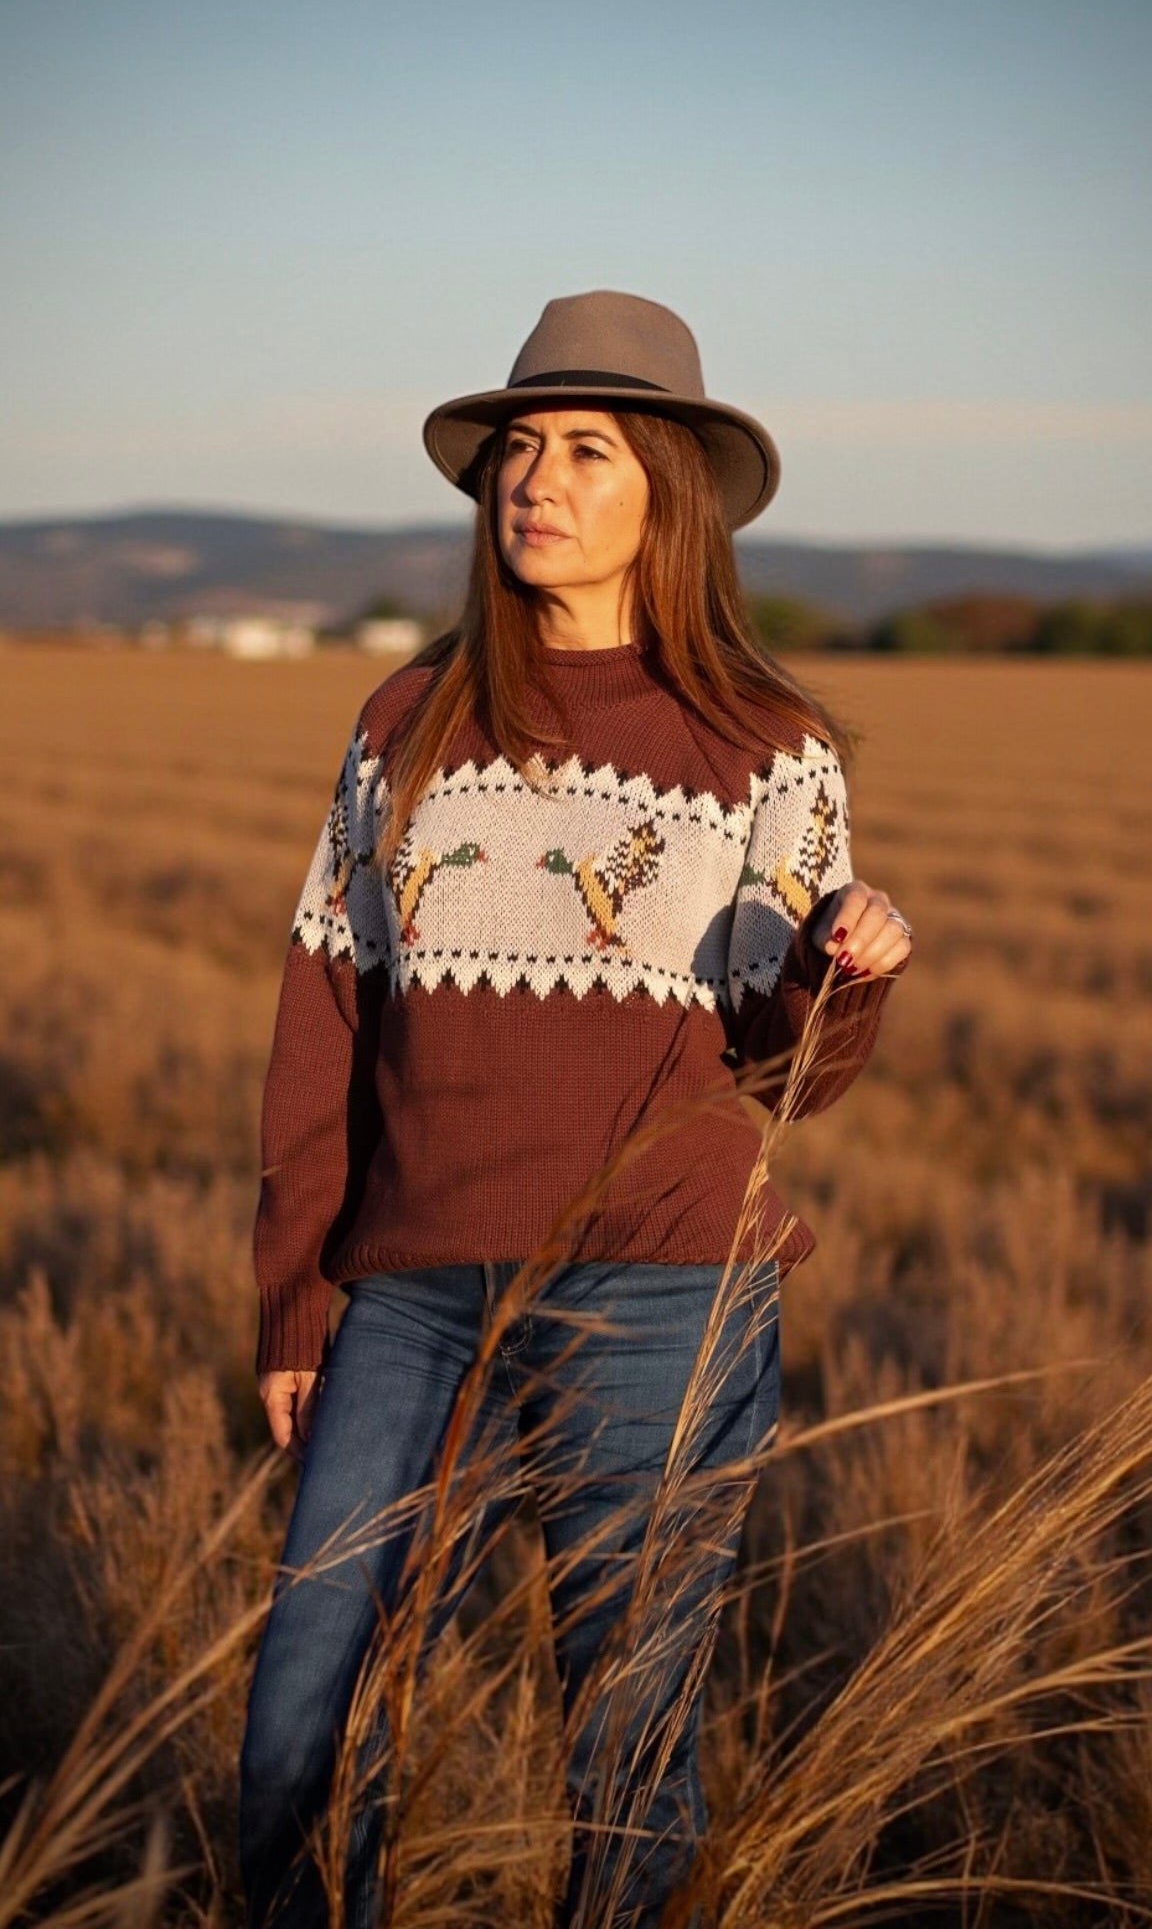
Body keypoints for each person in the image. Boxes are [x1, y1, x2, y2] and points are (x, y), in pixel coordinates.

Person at [240, 290, 913, 1928]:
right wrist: (292, 1294)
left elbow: (789, 1073)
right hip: (411, 1294)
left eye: (585, 450)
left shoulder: (771, 745)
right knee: (306, 1723)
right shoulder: (404, 724)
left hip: (664, 1286)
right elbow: (329, 1011)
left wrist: (853, 970)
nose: (535, 479)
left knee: (625, 1740)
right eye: (519, 450)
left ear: (666, 493)